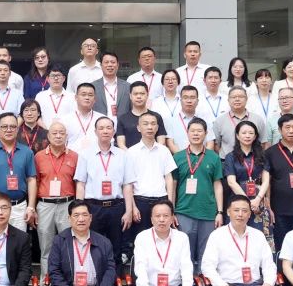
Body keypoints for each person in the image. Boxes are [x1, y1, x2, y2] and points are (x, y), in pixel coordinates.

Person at [74, 117, 134, 269]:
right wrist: (80, 211)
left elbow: (127, 185)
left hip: (116, 207)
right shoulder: (85, 154)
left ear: (114, 131)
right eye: (101, 128)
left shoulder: (123, 155)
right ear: (95, 132)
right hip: (93, 208)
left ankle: (115, 281)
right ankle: (94, 280)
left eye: (108, 128)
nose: (105, 131)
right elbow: (80, 184)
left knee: (116, 248)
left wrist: (128, 211)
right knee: (92, 246)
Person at [172, 118, 223, 270]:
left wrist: (220, 212)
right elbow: (172, 185)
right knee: (184, 252)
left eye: (199, 131)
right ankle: (187, 282)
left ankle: (203, 282)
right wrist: (171, 210)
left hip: (208, 212)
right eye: (192, 131)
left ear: (206, 134)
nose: (196, 134)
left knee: (206, 253)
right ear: (187, 133)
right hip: (184, 211)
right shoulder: (178, 157)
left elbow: (217, 185)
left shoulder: (213, 157)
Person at [0, 112, 38, 232]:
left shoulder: (27, 152)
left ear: (17, 129)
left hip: (19, 206)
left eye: (12, 126)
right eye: (4, 127)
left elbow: (32, 180)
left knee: (19, 241)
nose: (9, 130)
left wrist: (31, 207)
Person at [33, 121, 78, 277]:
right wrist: (33, 207)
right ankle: (46, 283)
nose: (58, 136)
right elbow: (35, 182)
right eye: (54, 133)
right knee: (46, 247)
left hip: (67, 204)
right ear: (48, 136)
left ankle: (66, 282)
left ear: (66, 136)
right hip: (45, 205)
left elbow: (77, 183)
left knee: (68, 245)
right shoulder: (39, 157)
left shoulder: (74, 156)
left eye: (61, 133)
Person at [125, 112, 177, 243]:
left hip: (161, 200)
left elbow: (169, 179)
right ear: (138, 128)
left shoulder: (164, 150)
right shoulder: (131, 152)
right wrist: (133, 207)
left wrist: (170, 206)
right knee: (141, 240)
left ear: (157, 127)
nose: (150, 127)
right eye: (145, 124)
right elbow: (128, 183)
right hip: (140, 201)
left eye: (153, 124)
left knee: (163, 238)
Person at [223, 121, 269, 231]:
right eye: (244, 133)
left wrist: (258, 199)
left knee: (260, 233)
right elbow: (231, 182)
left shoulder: (262, 155)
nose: (247, 136)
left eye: (251, 133)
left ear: (255, 136)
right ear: (237, 136)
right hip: (238, 199)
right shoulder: (230, 157)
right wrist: (246, 202)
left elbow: (266, 180)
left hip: (258, 200)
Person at [211, 87, 267, 155]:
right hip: (226, 160)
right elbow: (216, 145)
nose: (237, 99)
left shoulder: (258, 119)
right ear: (228, 100)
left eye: (241, 97)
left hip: (253, 160)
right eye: (233, 97)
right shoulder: (220, 121)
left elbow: (263, 143)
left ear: (246, 99)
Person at [116, 82, 169, 148]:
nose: (139, 97)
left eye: (142, 94)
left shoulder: (156, 117)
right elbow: (121, 144)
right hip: (130, 154)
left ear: (147, 95)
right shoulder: (123, 118)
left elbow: (161, 142)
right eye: (135, 94)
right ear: (130, 96)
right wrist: (130, 154)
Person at [66, 83, 106, 154]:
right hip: (72, 158)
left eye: (90, 95)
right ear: (76, 97)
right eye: (83, 94)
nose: (87, 97)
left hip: (96, 157)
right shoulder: (65, 120)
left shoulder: (103, 119)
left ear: (95, 99)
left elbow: (108, 142)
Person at [164, 85, 203, 152]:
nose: (189, 101)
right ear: (180, 100)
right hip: (179, 157)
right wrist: (182, 157)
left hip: (201, 157)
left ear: (197, 101)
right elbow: (170, 143)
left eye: (192, 98)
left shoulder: (204, 120)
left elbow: (210, 143)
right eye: (185, 97)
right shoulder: (170, 121)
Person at [91, 52, 129, 121]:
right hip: (100, 125)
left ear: (117, 65)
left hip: (123, 126)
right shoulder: (93, 87)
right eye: (106, 62)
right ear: (101, 65)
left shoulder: (127, 86)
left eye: (113, 62)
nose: (110, 65)